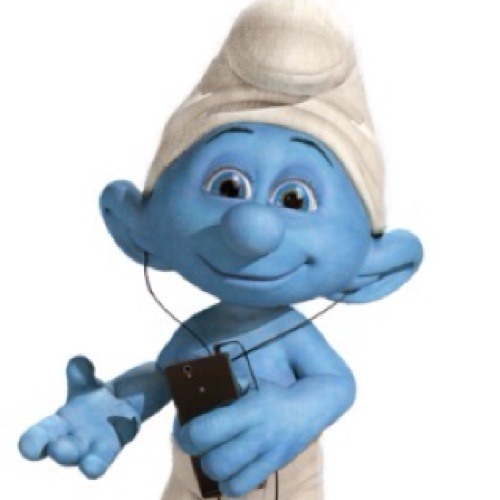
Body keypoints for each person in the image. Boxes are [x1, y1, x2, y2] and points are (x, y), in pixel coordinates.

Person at [19, 1, 423, 498]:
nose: (252, 227)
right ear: (136, 227)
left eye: (294, 199)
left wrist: (294, 413)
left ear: (374, 269)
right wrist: (119, 405)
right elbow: (163, 377)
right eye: (228, 187)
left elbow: (337, 384)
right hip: (189, 481)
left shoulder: (292, 334)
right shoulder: (198, 333)